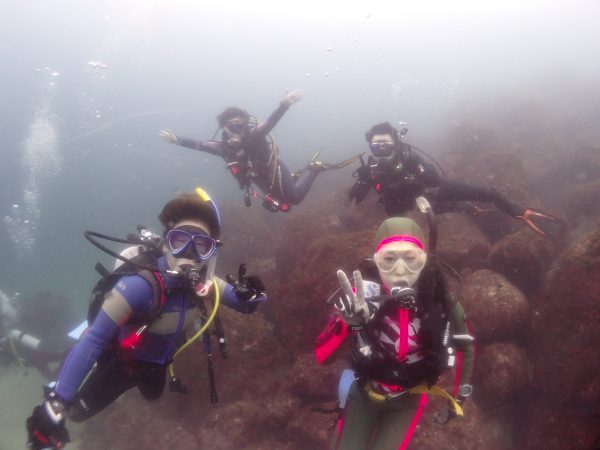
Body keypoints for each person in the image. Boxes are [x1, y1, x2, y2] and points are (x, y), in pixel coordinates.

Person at [26, 189, 266, 450]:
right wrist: (58, 402)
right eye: (179, 241)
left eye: (201, 245)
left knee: (152, 395)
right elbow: (95, 339)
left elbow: (246, 306)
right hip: (122, 364)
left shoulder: (207, 284)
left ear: (211, 251)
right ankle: (61, 372)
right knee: (77, 413)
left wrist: (252, 294)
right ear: (166, 243)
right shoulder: (141, 286)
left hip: (158, 365)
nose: (188, 253)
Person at [316, 217, 474, 450]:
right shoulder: (360, 298)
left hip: (408, 400)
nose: (400, 271)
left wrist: (459, 397)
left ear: (424, 261)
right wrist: (347, 324)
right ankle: (346, 387)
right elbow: (322, 356)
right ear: (376, 261)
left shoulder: (441, 301)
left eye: (411, 259)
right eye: (389, 260)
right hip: (364, 393)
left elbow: (465, 346)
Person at [349, 122, 563, 238]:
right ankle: (466, 208)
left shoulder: (408, 157)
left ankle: (521, 212)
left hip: (428, 195)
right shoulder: (370, 170)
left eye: (386, 144)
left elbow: (435, 179)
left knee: (487, 192)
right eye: (376, 146)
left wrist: (416, 176)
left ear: (395, 144)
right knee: (437, 211)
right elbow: (355, 200)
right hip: (402, 208)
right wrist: (362, 183)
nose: (381, 150)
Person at [160, 90, 355, 212]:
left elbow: (270, 121)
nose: (236, 130)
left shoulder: (255, 135)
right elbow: (200, 145)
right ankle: (294, 177)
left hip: (275, 170)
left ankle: (313, 170)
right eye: (231, 126)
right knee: (282, 205)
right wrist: (177, 140)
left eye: (239, 125)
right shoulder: (221, 147)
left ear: (246, 126)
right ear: (223, 128)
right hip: (258, 179)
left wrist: (284, 105)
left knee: (294, 200)